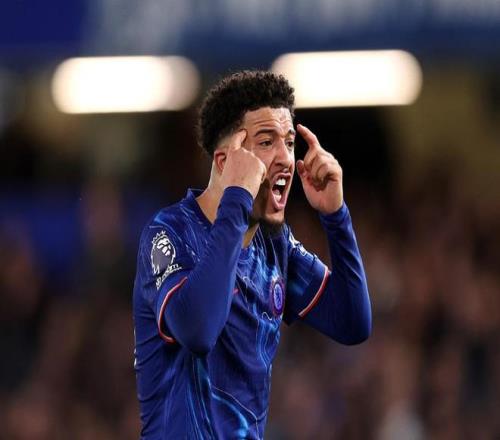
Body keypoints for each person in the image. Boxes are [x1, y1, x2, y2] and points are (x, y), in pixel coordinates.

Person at [133, 70, 372, 439]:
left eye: (289, 142)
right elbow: (198, 330)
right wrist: (237, 199)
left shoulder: (274, 245)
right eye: (266, 142)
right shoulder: (168, 233)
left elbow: (352, 323)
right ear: (224, 161)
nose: (286, 158)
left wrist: (336, 217)